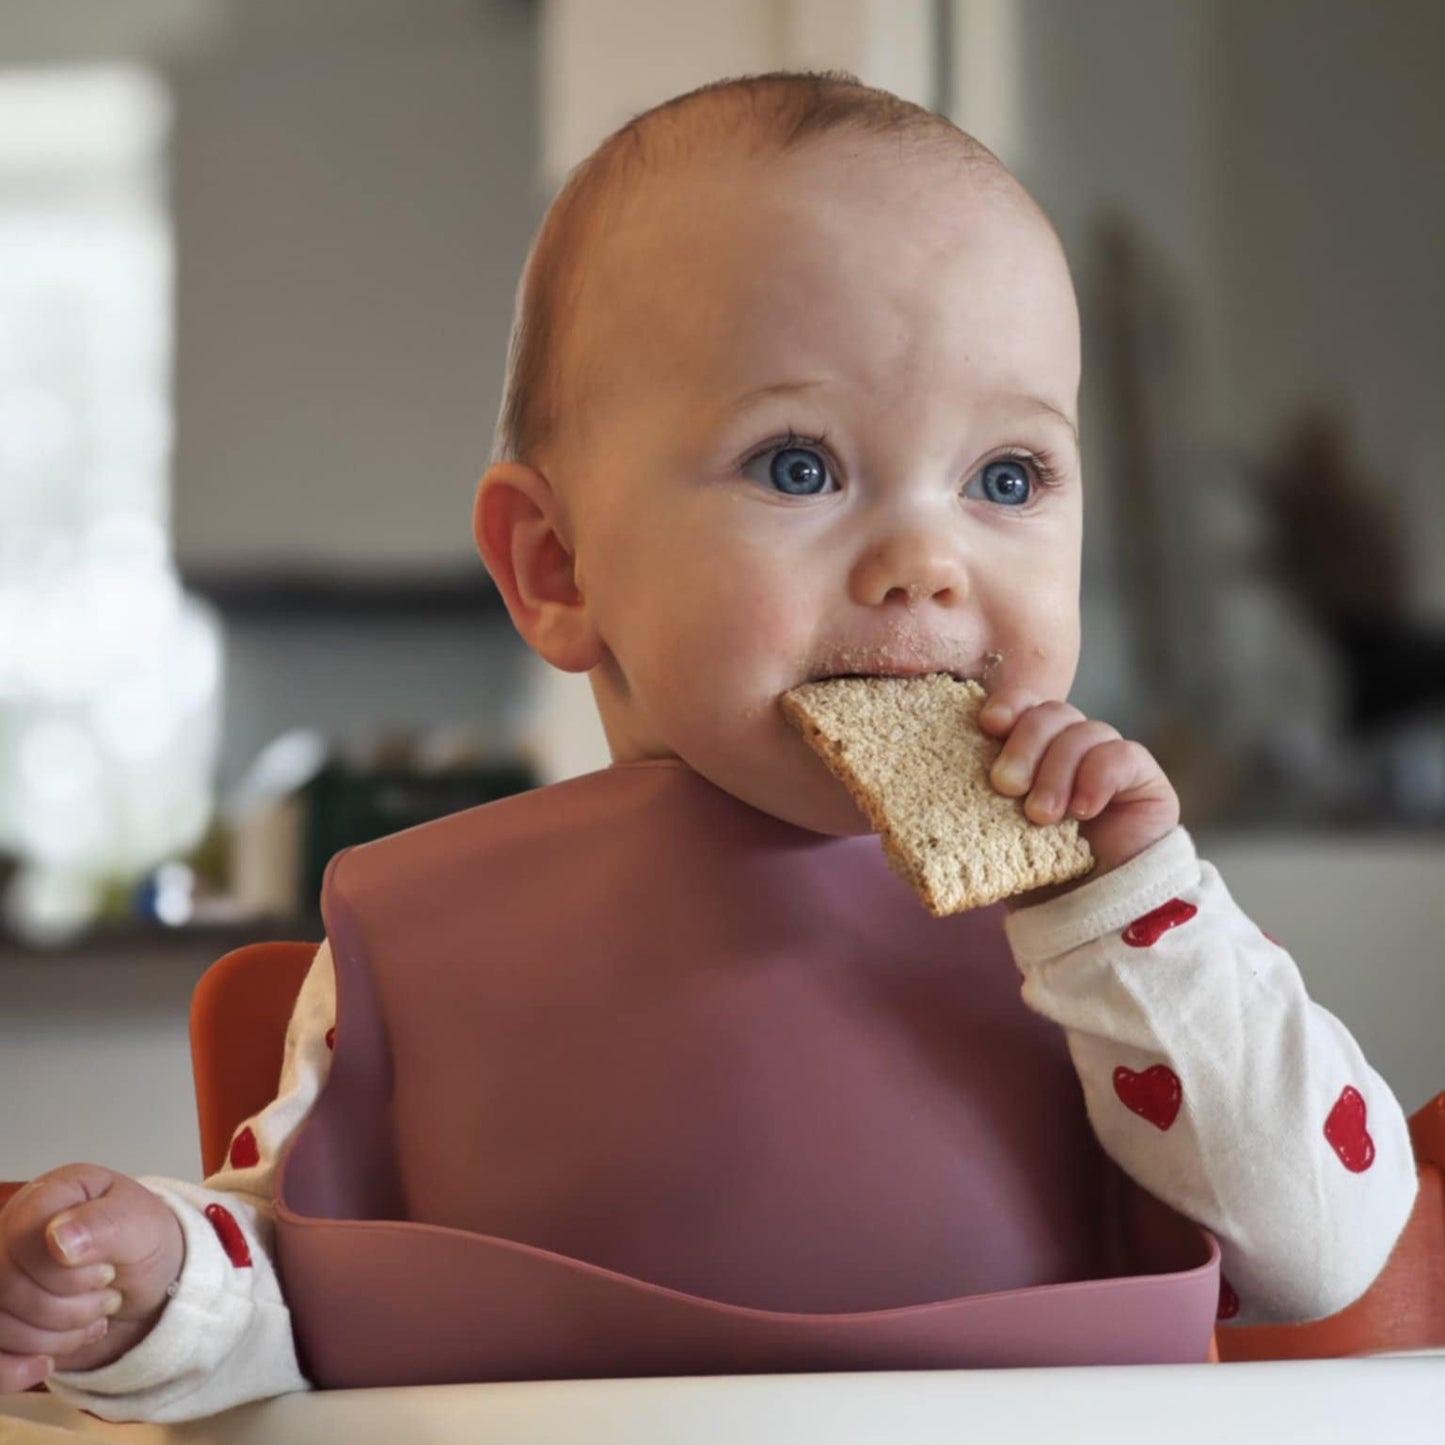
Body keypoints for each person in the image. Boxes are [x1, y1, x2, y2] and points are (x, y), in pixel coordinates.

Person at [0, 70, 1418, 1422]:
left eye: (1008, 476)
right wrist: (152, 1280)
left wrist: (1128, 912)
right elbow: (281, 1299)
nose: (926, 559)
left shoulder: (1111, 935)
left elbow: (1323, 1249)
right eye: (797, 464)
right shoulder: (431, 944)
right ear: (557, 564)